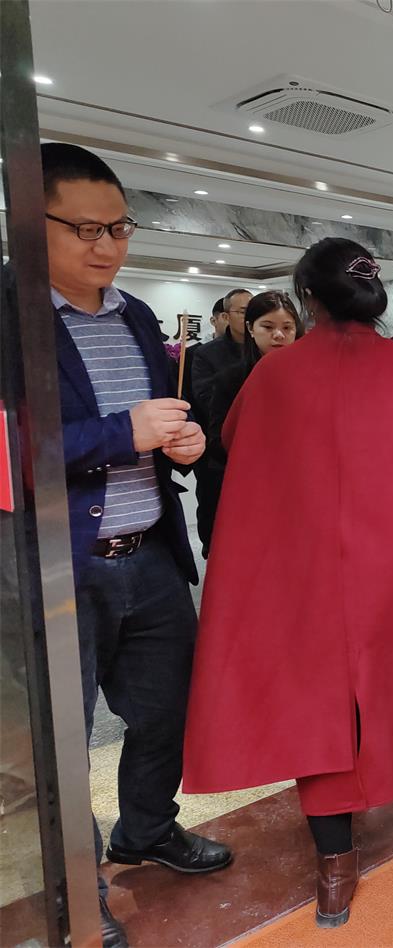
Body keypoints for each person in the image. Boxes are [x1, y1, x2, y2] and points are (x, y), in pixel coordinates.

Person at [182, 238, 393, 929]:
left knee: (324, 699)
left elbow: (241, 447)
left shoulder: (273, 376)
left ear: (307, 299)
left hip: (310, 563)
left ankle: (336, 869)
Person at [36, 142, 232, 948]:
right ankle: (77, 890)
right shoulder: (14, 321)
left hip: (149, 552)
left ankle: (146, 829)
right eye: (84, 228)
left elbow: (163, 416)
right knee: (62, 741)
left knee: (164, 711)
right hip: (60, 566)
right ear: (29, 224)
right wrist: (123, 434)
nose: (107, 245)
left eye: (119, 226)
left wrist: (181, 442)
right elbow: (16, 446)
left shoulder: (139, 315)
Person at [201, 291, 303, 541]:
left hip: (299, 491)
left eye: (287, 328)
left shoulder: (311, 378)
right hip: (247, 489)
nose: (279, 335)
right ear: (250, 328)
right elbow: (217, 441)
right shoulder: (231, 379)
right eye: (268, 327)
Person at [189, 286, 251, 555]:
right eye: (243, 311)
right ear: (225, 316)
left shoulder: (267, 351)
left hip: (259, 452)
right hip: (218, 452)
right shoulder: (206, 354)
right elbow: (205, 397)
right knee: (215, 514)